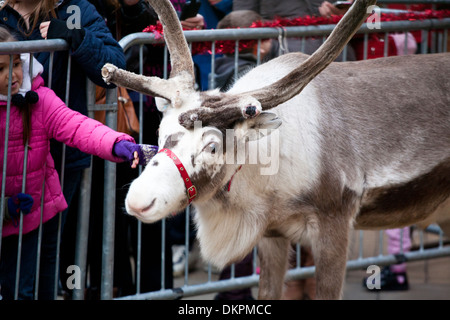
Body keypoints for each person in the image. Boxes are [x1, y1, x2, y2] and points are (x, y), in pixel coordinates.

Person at [0, 26, 146, 300]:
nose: (13, 76)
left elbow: (77, 125)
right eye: (1, 69)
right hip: (6, 214)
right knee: (14, 288)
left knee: (33, 289)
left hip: (38, 212)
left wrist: (117, 143)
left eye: (17, 64)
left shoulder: (40, 99)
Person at [232, 0, 356, 61]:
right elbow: (242, 22)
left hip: (336, 51)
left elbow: (364, 10)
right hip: (283, 56)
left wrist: (343, 12)